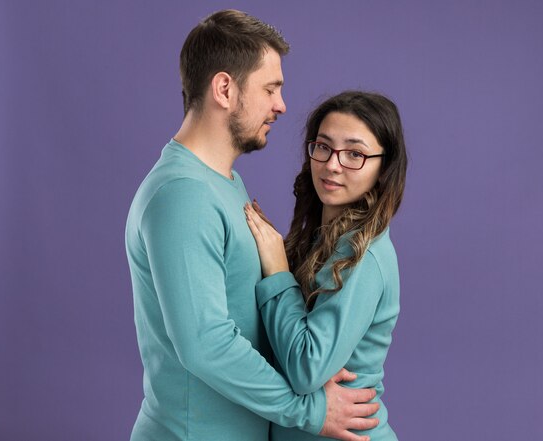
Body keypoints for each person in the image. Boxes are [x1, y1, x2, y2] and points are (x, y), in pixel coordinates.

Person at [125, 10, 380, 441]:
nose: (281, 105)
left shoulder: (223, 182)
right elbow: (205, 344)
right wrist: (308, 409)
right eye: (270, 88)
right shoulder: (183, 196)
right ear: (225, 88)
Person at [244, 91, 408, 440]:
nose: (332, 164)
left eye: (355, 154)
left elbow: (305, 368)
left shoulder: (363, 253)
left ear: (383, 168)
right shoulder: (322, 238)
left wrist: (277, 272)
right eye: (323, 146)